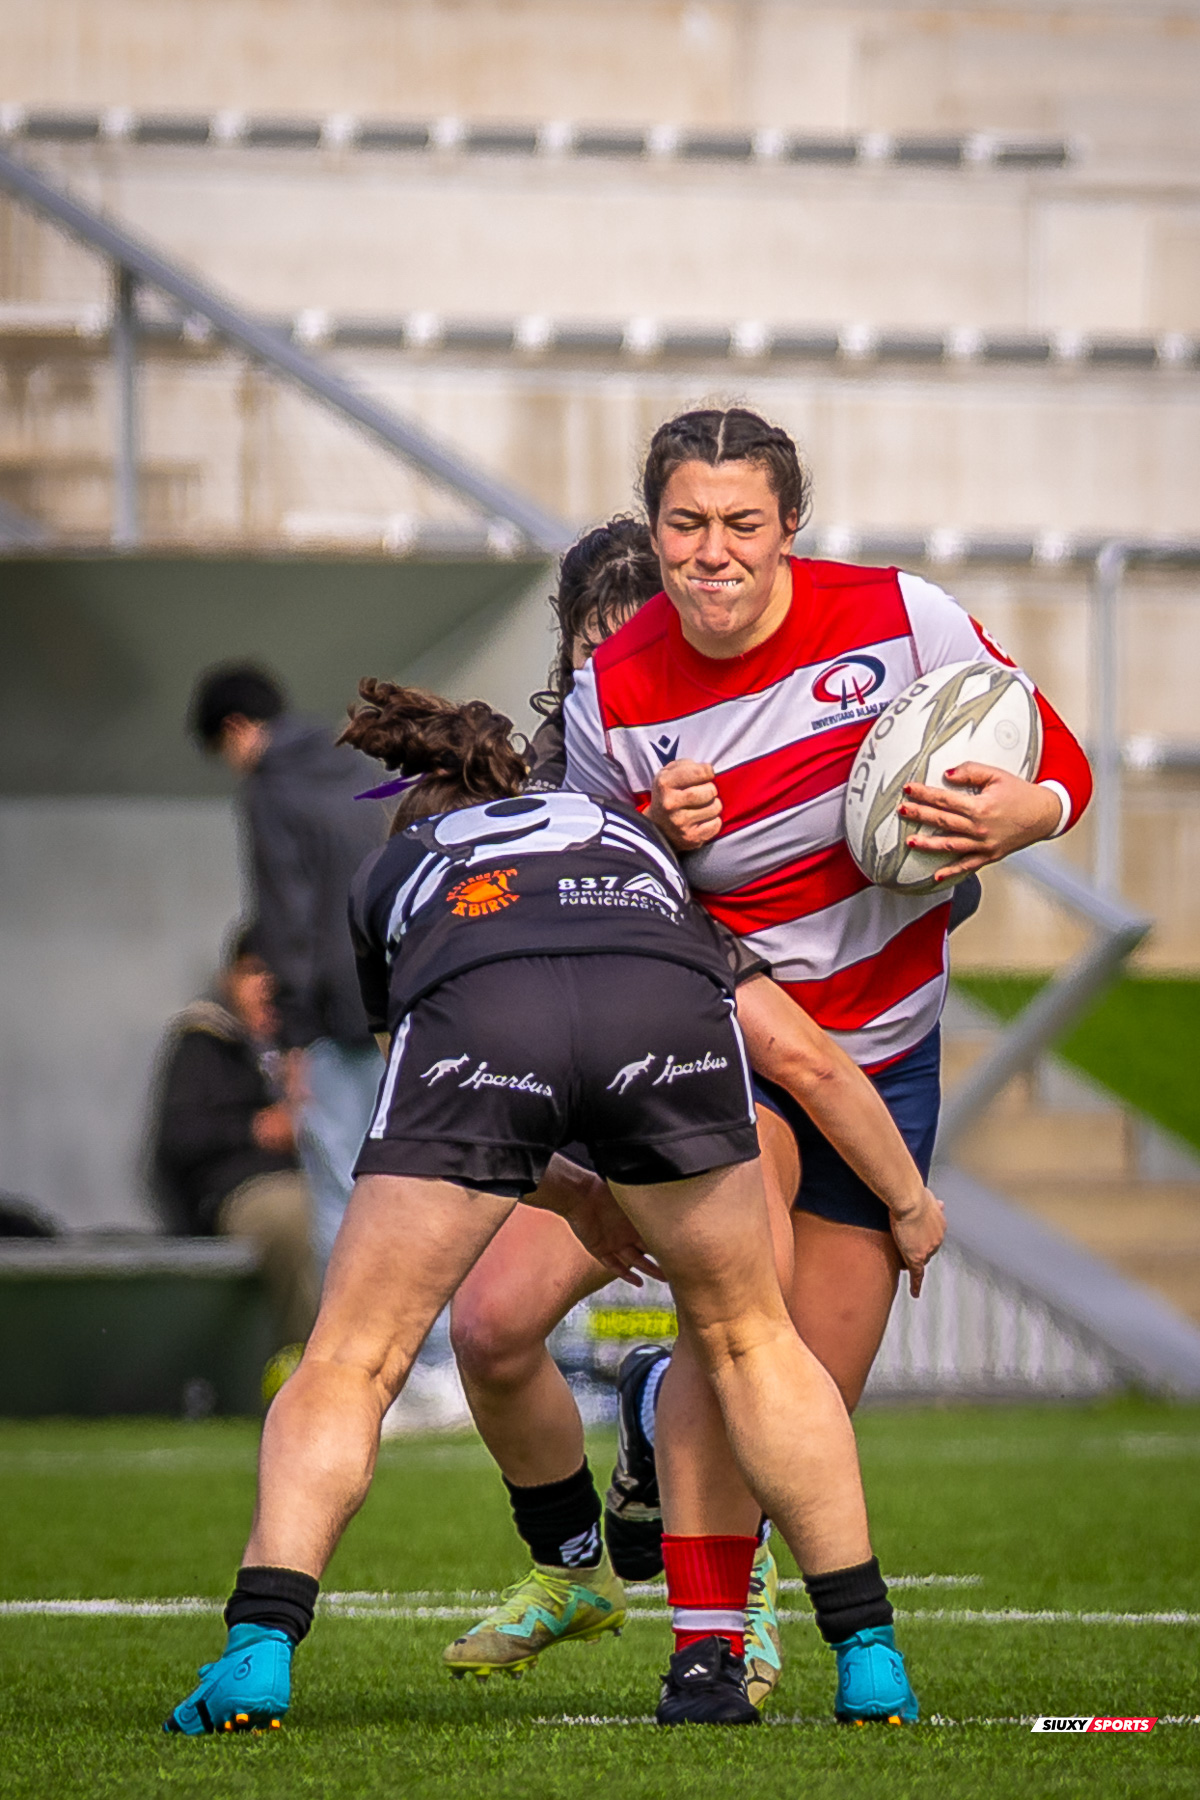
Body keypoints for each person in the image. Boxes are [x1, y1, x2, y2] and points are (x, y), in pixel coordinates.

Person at [164, 679, 920, 1735]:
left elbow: (456, 1097)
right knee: (751, 1342)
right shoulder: (625, 839)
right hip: (657, 998)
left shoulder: (398, 868)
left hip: (485, 1008)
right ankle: (871, 1658)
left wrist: (572, 1197)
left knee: (352, 1359)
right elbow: (795, 1049)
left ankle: (256, 1654)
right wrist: (909, 1200)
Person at [559, 405, 1092, 1573]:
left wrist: (1028, 811)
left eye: (743, 522)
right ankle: (712, 1642)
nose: (714, 553)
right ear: (654, 531)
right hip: (733, 1041)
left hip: (889, 1050)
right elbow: (599, 897)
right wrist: (656, 829)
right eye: (685, 524)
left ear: (789, 524)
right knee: (738, 1335)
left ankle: (653, 1427)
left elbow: (1053, 746)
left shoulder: (902, 617)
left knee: (813, 1392)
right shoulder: (615, 689)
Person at [442, 516, 942, 1710]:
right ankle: (572, 1565)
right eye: (602, 650)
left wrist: (944, 842)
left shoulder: (793, 718)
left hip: (799, 1049)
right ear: (573, 658)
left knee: (781, 1367)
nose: (639, 674)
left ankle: (731, 1581)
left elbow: (904, 881)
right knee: (492, 1326)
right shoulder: (574, 768)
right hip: (636, 1076)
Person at [188, 664, 385, 1268]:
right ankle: (431, 1357)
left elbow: (286, 921)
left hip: (332, 1019)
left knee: (337, 1196)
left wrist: (293, 1038)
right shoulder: (357, 766)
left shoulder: (271, 787)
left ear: (237, 728)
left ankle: (347, 1357)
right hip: (397, 1006)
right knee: (402, 1188)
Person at [149, 927, 319, 1356]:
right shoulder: (205, 1040)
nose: (267, 987)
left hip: (316, 1185)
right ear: (230, 979)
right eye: (254, 972)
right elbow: (178, 1140)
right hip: (239, 1193)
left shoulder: (315, 1045)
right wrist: (258, 1129)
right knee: (296, 1214)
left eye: (278, 976)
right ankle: (315, 1375)